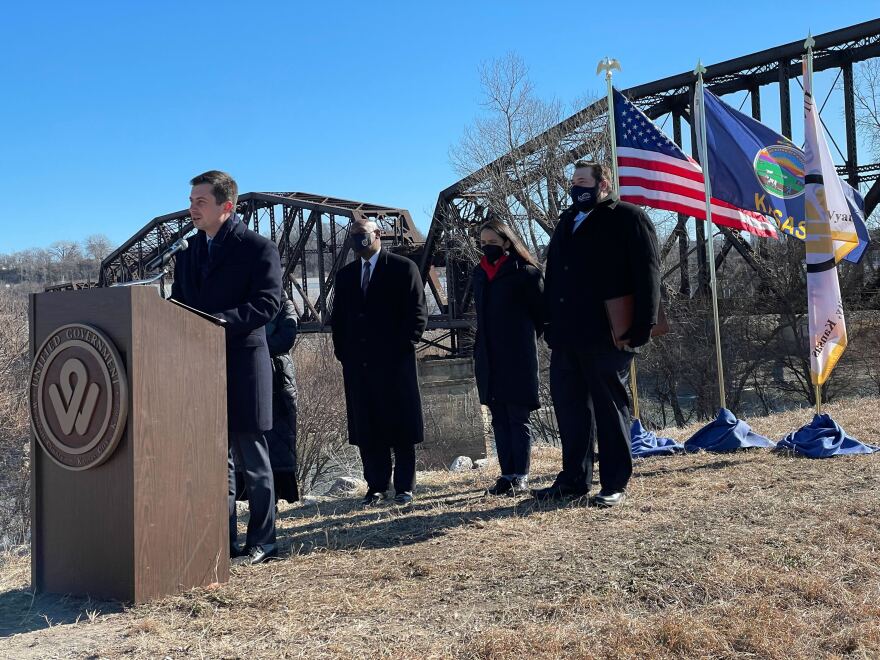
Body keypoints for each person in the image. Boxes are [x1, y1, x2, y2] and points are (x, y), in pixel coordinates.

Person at [532, 161, 660, 507]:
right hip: (565, 336)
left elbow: (647, 274)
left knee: (609, 408)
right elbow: (554, 276)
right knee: (571, 411)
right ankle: (573, 480)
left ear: (603, 184)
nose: (576, 187)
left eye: (583, 181)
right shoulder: (566, 221)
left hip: (607, 334)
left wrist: (643, 326)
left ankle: (615, 483)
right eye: (573, 182)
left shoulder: (628, 217)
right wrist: (547, 323)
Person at [171, 170, 282, 564]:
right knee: (216, 461)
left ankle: (263, 541)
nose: (191, 209)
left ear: (226, 207)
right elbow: (178, 303)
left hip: (243, 362)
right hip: (202, 366)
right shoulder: (188, 253)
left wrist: (220, 321)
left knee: (252, 456)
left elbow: (268, 304)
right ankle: (222, 541)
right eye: (190, 202)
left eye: (200, 202)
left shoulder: (258, 248)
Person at [330, 219, 428, 507]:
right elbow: (339, 319)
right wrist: (343, 353)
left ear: (378, 235)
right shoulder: (346, 275)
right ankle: (376, 486)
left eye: (362, 235)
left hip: (395, 364)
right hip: (358, 366)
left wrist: (401, 348)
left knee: (401, 427)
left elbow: (417, 314)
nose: (357, 240)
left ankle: (404, 488)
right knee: (368, 428)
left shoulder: (402, 268)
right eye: (353, 236)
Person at [471, 220, 544, 496]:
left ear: (506, 243)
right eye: (483, 243)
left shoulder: (526, 273)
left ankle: (521, 475)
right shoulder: (479, 274)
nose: (487, 247)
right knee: (498, 418)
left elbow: (540, 316)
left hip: (517, 356)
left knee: (517, 417)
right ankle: (506, 475)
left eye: (492, 242)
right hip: (488, 357)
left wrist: (521, 339)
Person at [235, 289, 300, 505]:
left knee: (281, 438)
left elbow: (286, 338)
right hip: (253, 374)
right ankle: (250, 493)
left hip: (279, 380)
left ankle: (281, 494)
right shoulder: (248, 304)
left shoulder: (285, 306)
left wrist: (254, 349)